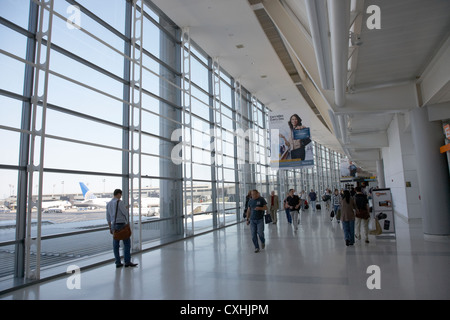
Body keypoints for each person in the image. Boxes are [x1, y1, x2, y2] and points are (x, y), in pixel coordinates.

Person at [106, 189, 138, 268]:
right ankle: (127, 262)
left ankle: (118, 262)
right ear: (118, 194)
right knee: (127, 243)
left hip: (114, 225)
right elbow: (125, 213)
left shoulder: (109, 204)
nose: (121, 196)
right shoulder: (119, 202)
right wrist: (126, 208)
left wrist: (110, 227)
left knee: (115, 245)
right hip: (121, 225)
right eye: (121, 195)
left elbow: (108, 217)